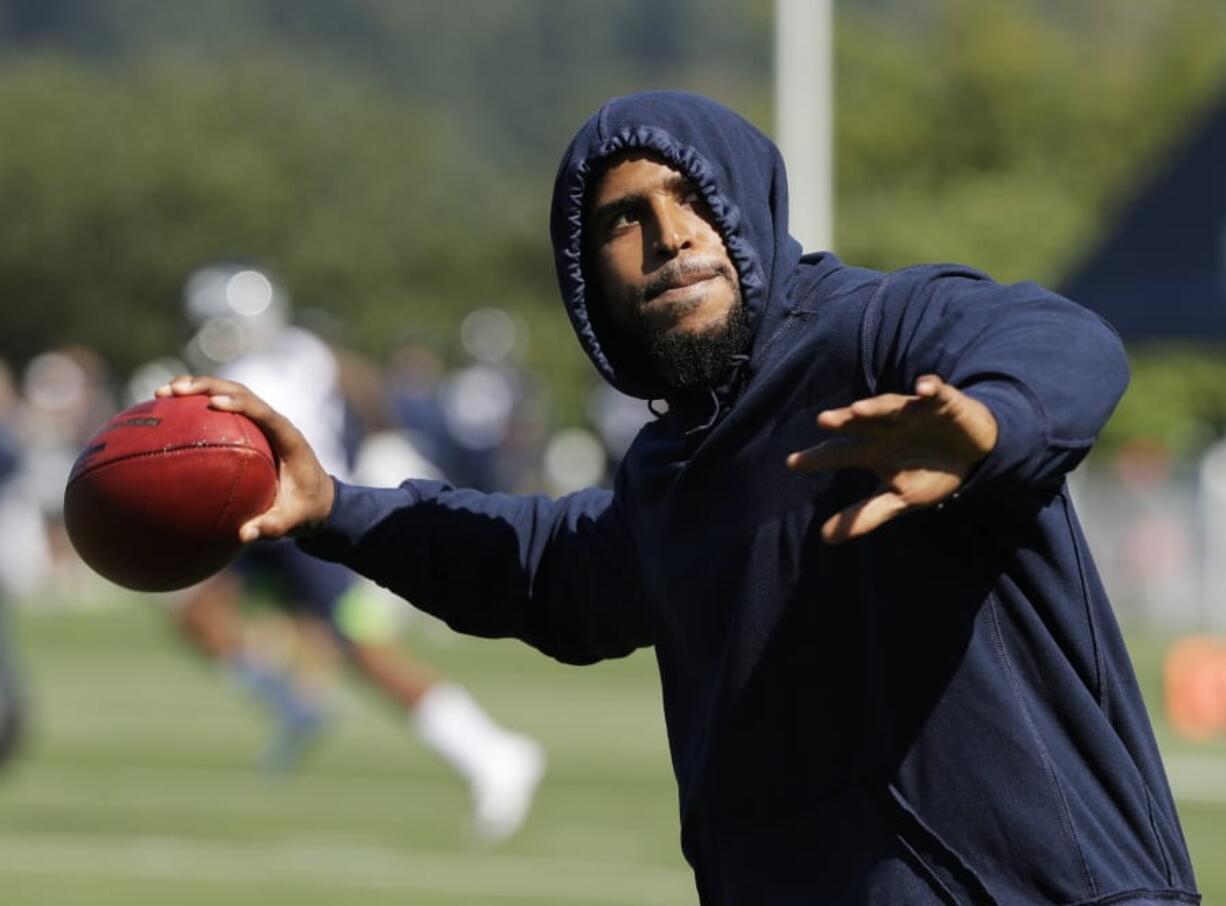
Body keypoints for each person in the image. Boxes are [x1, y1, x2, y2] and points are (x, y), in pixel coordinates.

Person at [159, 93, 1199, 903]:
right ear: (585, 276)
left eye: (691, 197)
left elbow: (1062, 340)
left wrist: (988, 425)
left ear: (744, 205)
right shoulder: (668, 475)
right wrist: (333, 506)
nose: (668, 236)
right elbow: (548, 566)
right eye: (623, 219)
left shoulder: (880, 329)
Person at [171, 264, 544, 844]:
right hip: (276, 521)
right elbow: (361, 381)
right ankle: (294, 708)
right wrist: (381, 439)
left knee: (363, 650)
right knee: (196, 615)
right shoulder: (304, 350)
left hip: (308, 524)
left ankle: (492, 752)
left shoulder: (249, 372)